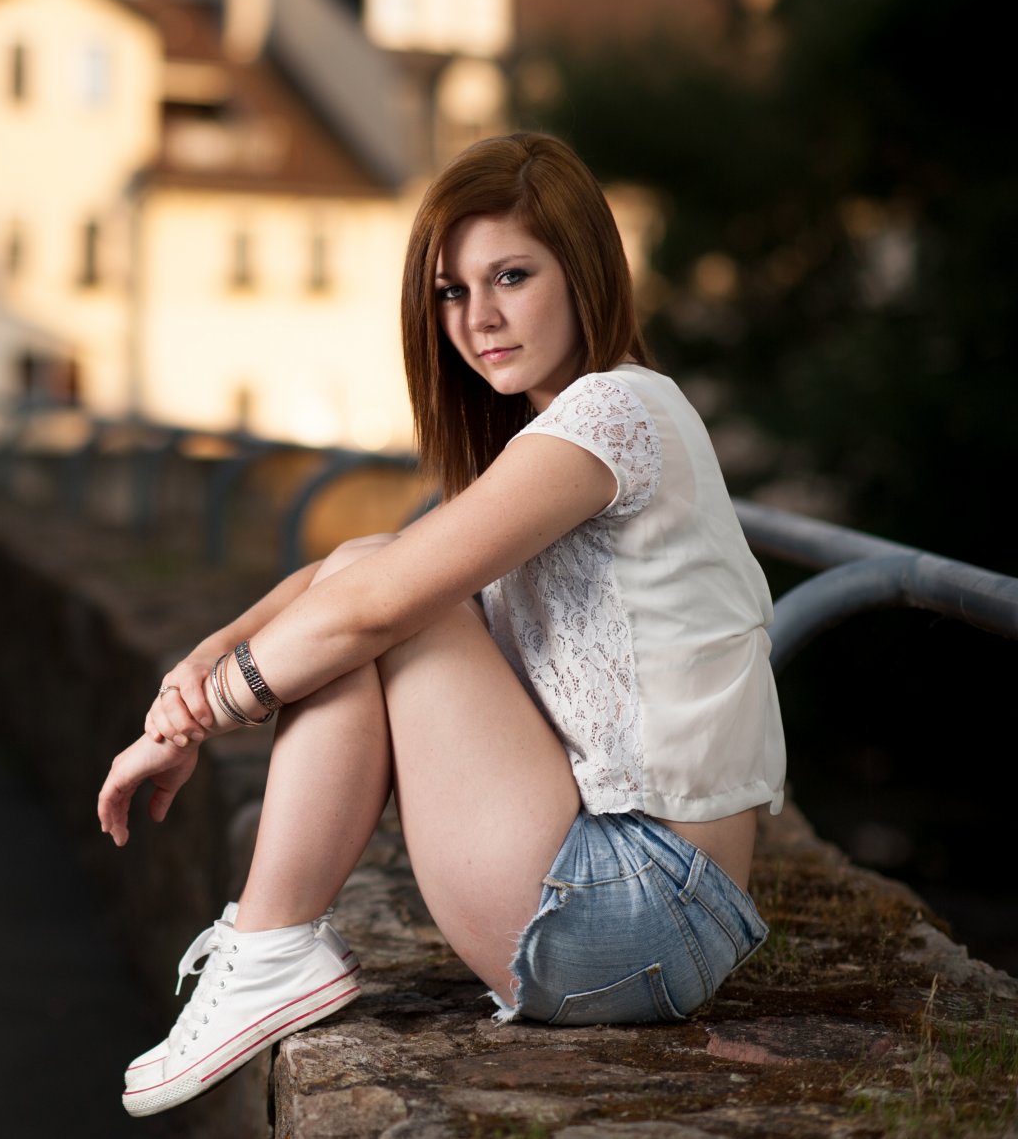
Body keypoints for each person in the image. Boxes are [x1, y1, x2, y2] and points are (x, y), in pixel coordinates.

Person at [98, 132, 786, 1118]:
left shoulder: (615, 414)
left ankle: (270, 946)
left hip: (637, 914)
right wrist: (189, 677)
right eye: (452, 293)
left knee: (385, 608)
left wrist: (208, 715)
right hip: (630, 917)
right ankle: (268, 945)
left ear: (585, 272)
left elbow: (375, 606)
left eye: (512, 275)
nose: (480, 318)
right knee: (370, 577)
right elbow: (341, 574)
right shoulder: (553, 438)